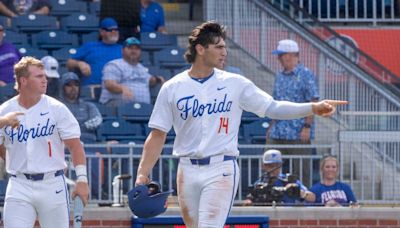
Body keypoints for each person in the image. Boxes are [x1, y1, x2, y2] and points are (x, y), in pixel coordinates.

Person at [134, 21, 347, 227]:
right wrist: (143, 173)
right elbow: (157, 134)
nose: (224, 52)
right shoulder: (173, 87)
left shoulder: (235, 83)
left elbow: (272, 108)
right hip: (187, 168)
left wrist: (311, 108)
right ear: (200, 48)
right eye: (218, 47)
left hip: (221, 167)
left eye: (224, 47)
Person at [0, 56, 89, 228]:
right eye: (39, 76)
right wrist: (15, 160)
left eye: (44, 76)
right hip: (19, 184)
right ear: (23, 80)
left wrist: (82, 179)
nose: (45, 79)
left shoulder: (57, 109)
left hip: (52, 183)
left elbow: (75, 146)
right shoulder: (5, 111)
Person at [266, 39, 319, 186]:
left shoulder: (306, 74)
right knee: (269, 163)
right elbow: (276, 103)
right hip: (278, 131)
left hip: (298, 131)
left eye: (281, 55)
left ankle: (303, 201)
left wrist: (307, 127)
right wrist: (271, 127)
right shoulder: (279, 76)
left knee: (301, 170)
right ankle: (268, 196)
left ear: (290, 55)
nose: (279, 59)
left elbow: (313, 102)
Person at [99, 37, 164, 106]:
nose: (134, 51)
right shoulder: (114, 65)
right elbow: (109, 84)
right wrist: (122, 88)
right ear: (122, 50)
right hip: (117, 106)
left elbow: (150, 81)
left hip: (141, 108)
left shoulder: (141, 68)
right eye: (130, 48)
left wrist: (158, 79)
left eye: (136, 48)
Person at [243, 149, 315, 205]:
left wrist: (299, 192)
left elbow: (312, 198)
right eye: (270, 166)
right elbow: (248, 201)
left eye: (277, 165)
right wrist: (249, 202)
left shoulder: (289, 180)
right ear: (263, 166)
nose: (274, 169)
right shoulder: (260, 184)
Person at [66, 17, 122, 86]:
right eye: (110, 30)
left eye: (116, 30)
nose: (114, 32)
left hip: (116, 87)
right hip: (92, 87)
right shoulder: (90, 46)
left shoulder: (123, 49)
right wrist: (79, 63)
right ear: (101, 32)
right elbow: (69, 63)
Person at [60, 72, 102, 142]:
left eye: (76, 85)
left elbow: (97, 120)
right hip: (66, 142)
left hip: (88, 141)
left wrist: (75, 126)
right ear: (62, 87)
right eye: (69, 85)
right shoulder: (57, 106)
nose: (73, 88)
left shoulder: (89, 105)